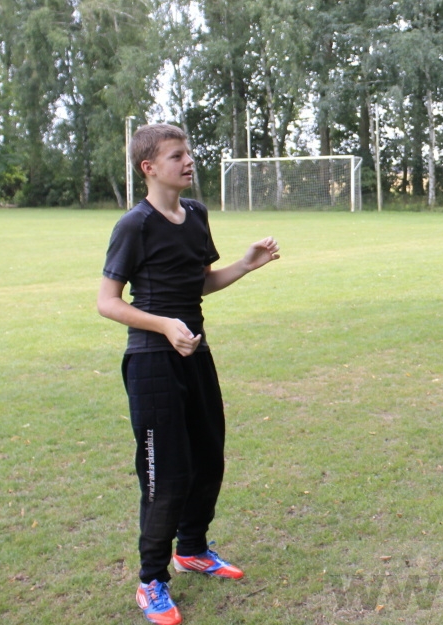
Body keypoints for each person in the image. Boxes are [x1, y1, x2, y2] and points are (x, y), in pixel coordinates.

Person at [97, 124, 281, 625]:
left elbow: (200, 282)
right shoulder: (133, 226)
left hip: (194, 354)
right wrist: (163, 325)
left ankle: (192, 548)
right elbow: (107, 304)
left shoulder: (196, 215)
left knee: (209, 458)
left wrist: (246, 265)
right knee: (165, 476)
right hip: (152, 363)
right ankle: (152, 580)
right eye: (176, 155)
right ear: (149, 168)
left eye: (189, 153)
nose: (188, 161)